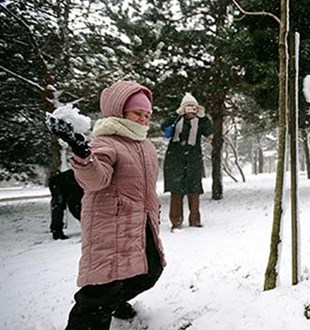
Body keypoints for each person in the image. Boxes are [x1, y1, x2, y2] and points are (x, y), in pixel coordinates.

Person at [46, 80, 167, 329]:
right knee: (101, 290)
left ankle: (113, 303)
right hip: (109, 227)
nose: (143, 119)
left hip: (140, 223)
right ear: (119, 112)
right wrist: (82, 154)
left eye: (147, 114)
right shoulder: (106, 142)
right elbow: (95, 180)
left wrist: (153, 211)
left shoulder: (146, 146)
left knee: (149, 272)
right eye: (137, 113)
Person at [161, 93, 213, 230]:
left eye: (193, 107)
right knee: (176, 191)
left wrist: (203, 116)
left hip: (193, 160)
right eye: (187, 107)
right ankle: (176, 222)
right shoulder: (176, 119)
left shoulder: (200, 122)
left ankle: (195, 220)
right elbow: (164, 127)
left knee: (194, 190)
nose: (190, 111)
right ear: (183, 108)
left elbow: (209, 131)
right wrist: (176, 114)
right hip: (175, 160)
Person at [47, 168, 83, 240]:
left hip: (61, 183)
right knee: (59, 206)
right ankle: (57, 232)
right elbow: (74, 207)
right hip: (59, 184)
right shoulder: (80, 185)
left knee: (58, 207)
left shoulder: (81, 180)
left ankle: (55, 228)